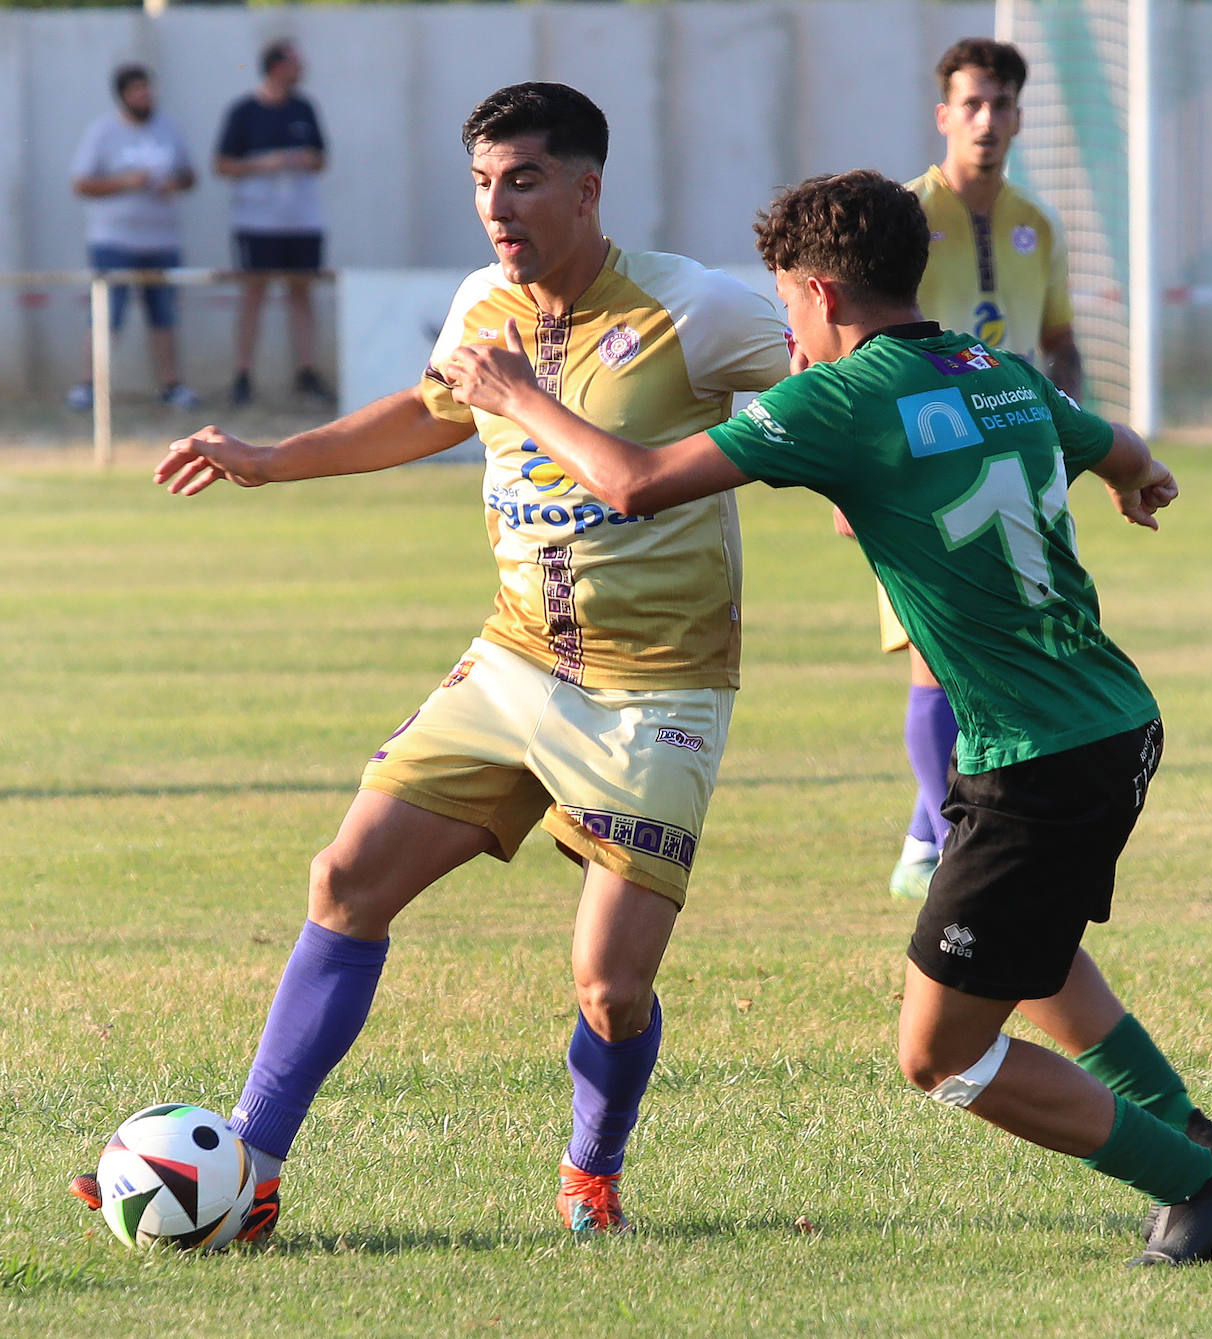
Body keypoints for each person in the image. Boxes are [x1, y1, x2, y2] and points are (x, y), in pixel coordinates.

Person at [440, 169, 1212, 1266]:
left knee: (942, 1056)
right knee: (1027, 953)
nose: (783, 329)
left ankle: (1198, 1182)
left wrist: (517, 397)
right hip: (1108, 719)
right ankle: (1190, 1126)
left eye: (785, 302)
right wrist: (1139, 475)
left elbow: (635, 482)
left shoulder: (841, 397)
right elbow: (1108, 436)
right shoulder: (999, 372)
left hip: (1038, 759)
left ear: (824, 293)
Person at [68, 82, 789, 1240]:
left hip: (656, 685)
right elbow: (429, 411)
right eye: (482, 184)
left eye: (523, 179)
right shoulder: (481, 301)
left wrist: (878, 474)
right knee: (347, 879)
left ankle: (592, 1171)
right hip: (513, 659)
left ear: (587, 187)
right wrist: (269, 458)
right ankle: (249, 1168)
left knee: (610, 985)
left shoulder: (689, 307)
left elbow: (831, 374)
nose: (496, 207)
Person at [873, 37, 1085, 902]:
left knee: (998, 654)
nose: (988, 121)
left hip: (1014, 464)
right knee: (934, 656)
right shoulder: (902, 218)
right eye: (972, 105)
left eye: (1001, 105)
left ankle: (927, 835)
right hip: (921, 465)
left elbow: (1062, 345)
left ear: (1019, 117)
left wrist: (1070, 432)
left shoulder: (1037, 221)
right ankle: (951, 837)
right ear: (943, 116)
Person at [66, 64, 199, 412]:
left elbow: (190, 175)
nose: (146, 95)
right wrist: (126, 182)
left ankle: (171, 385)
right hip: (114, 241)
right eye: (138, 90)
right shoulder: (103, 132)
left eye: (148, 88)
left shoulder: (168, 127)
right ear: (123, 95)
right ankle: (89, 386)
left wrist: (175, 182)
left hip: (161, 241)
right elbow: (81, 183)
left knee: (165, 315)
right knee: (106, 316)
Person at [214, 39, 331, 407]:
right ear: (277, 67)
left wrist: (304, 159)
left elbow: (321, 157)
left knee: (302, 292)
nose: (302, 69)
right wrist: (266, 163)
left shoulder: (304, 108)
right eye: (296, 62)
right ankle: (243, 374)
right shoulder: (244, 111)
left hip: (301, 221)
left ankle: (306, 371)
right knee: (254, 293)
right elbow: (222, 164)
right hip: (256, 223)